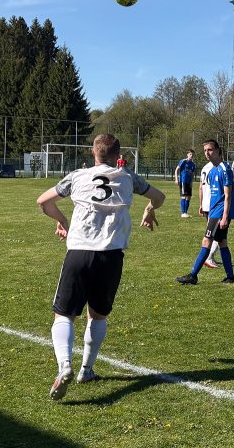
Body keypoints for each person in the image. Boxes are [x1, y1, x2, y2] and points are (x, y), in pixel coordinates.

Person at [36, 134, 165, 401]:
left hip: (79, 252)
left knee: (64, 315)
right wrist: (150, 209)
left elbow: (43, 201)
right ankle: (86, 369)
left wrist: (62, 221)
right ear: (118, 153)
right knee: (98, 316)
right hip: (111, 256)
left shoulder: (77, 176)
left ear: (94, 153)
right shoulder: (128, 177)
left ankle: (65, 366)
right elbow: (160, 197)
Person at [177, 139, 234, 284]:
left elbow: (228, 194)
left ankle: (193, 275)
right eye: (205, 151)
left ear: (218, 151)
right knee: (222, 242)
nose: (207, 153)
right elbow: (215, 195)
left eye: (210, 150)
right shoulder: (212, 171)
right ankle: (230, 277)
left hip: (220, 213)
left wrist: (225, 217)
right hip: (214, 212)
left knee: (207, 240)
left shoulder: (225, 169)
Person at [174, 150, 197, 218]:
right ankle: (183, 213)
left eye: (192, 154)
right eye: (190, 154)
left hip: (189, 182)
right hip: (183, 181)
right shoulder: (183, 161)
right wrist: (176, 179)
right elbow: (177, 169)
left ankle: (186, 212)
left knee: (189, 197)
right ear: (187, 155)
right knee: (184, 196)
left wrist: (191, 182)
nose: (191, 155)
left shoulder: (193, 164)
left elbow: (192, 174)